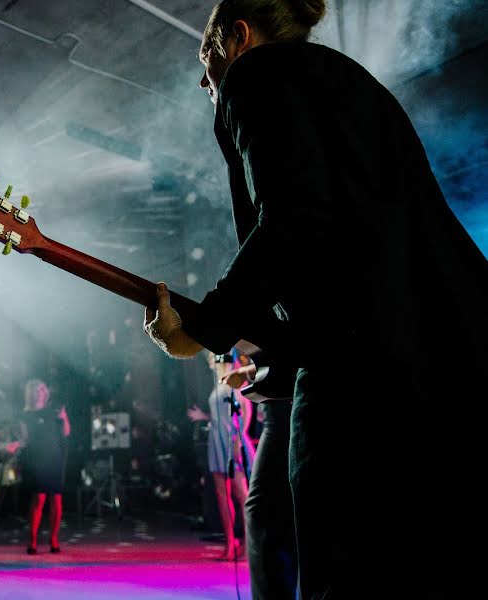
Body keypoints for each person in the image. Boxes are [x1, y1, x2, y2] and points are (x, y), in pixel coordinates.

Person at [143, 0, 487, 596]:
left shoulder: (256, 76)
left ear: (238, 37)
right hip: (455, 362)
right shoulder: (355, 84)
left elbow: (296, 221)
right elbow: (341, 247)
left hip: (369, 378)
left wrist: (204, 328)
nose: (206, 81)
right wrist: (263, 340)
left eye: (208, 59)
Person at [221, 359, 297, 599]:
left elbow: (286, 355)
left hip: (285, 412)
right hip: (282, 410)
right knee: (278, 514)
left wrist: (246, 371)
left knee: (262, 511)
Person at [187, 352, 254, 560]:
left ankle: (247, 544)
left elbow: (246, 412)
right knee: (221, 495)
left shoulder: (236, 382)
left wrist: (236, 440)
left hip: (231, 441)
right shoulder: (218, 384)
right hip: (216, 440)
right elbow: (219, 414)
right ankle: (229, 543)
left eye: (213, 358)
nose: (210, 362)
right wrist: (203, 416)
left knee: (240, 494)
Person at [5, 379, 70, 555]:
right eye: (35, 390)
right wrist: (15, 445)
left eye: (42, 390)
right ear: (29, 394)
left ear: (45, 393)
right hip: (35, 459)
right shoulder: (23, 415)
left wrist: (64, 419)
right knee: (38, 498)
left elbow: (66, 432)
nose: (39, 393)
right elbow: (25, 439)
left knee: (56, 499)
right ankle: (32, 541)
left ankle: (54, 540)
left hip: (55, 458)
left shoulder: (54, 411)